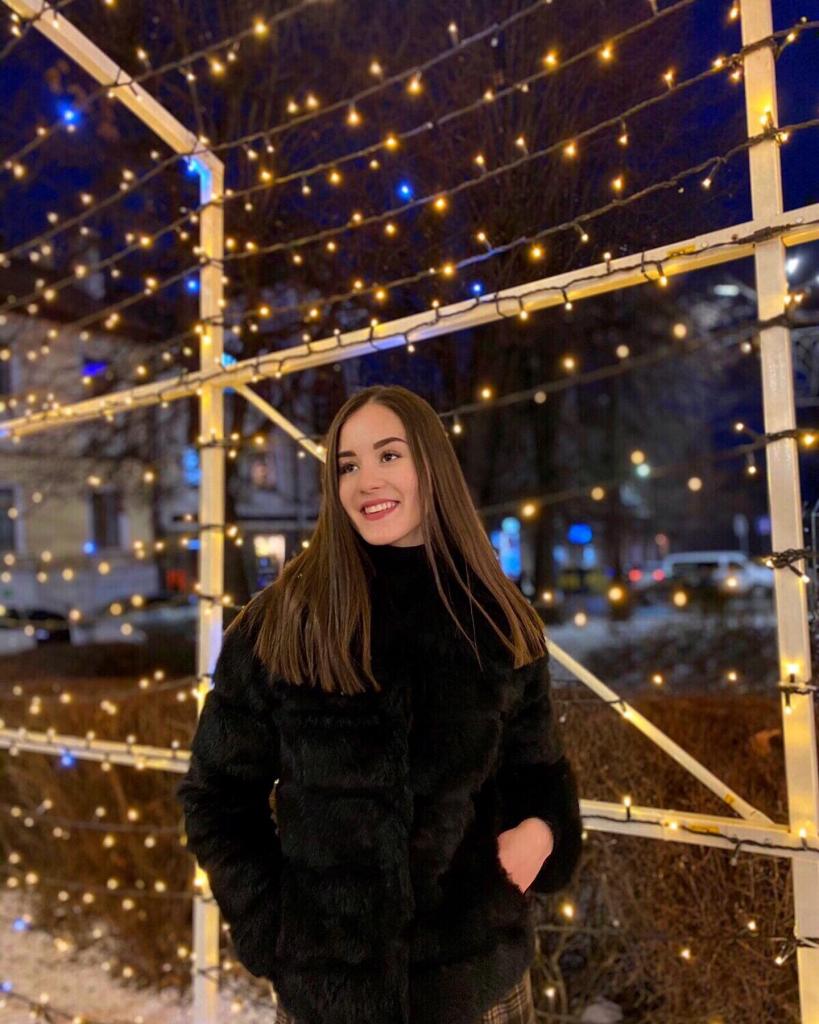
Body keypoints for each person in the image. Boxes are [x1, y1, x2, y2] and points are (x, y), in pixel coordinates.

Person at [175, 385, 583, 1024]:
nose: (367, 480)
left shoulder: (498, 619)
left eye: (389, 455)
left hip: (476, 990)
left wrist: (541, 834)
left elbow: (538, 773)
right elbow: (216, 796)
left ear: (430, 466)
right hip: (328, 1002)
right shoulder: (282, 622)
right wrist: (274, 931)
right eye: (348, 465)